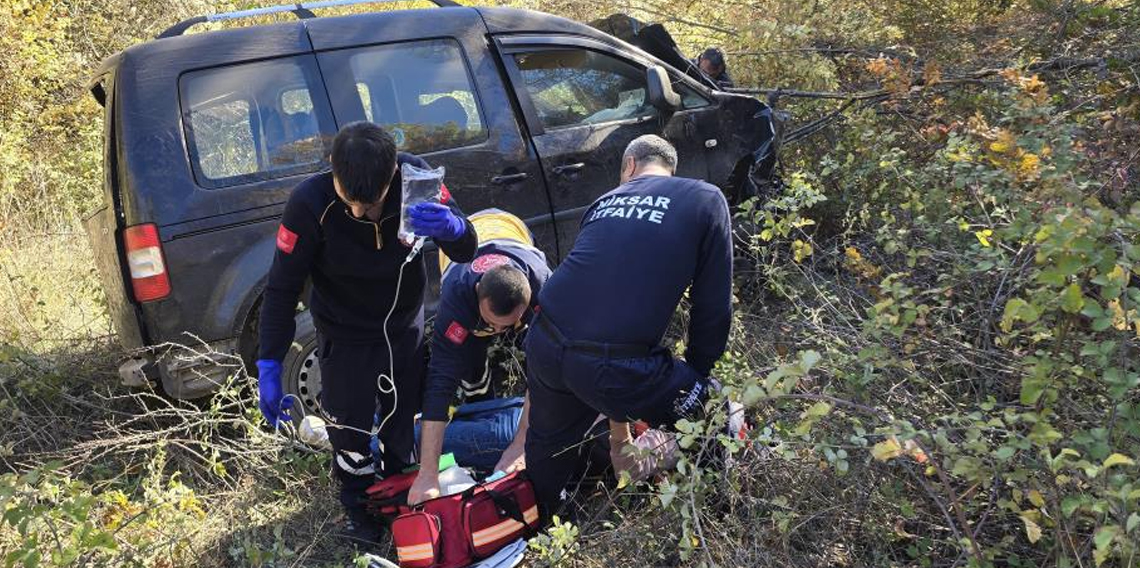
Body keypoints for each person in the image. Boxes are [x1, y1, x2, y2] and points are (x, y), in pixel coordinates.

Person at [255, 122, 477, 543]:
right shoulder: (309, 203)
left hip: (402, 328)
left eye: (371, 204)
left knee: (401, 426)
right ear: (333, 174)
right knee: (349, 432)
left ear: (393, 172)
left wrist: (452, 229)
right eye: (350, 202)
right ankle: (359, 512)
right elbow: (282, 288)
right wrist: (269, 362)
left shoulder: (418, 181)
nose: (360, 213)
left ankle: (402, 499)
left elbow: (468, 248)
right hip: (343, 332)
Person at [522, 134, 736, 515]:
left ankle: (543, 523)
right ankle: (716, 512)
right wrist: (696, 379)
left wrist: (621, 438)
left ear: (630, 168)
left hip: (544, 340)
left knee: (548, 446)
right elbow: (712, 307)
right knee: (714, 409)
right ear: (669, 170)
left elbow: (603, 311)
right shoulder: (704, 197)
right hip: (611, 365)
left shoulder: (604, 202)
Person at [407, 210, 552, 505]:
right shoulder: (457, 298)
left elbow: (547, 367)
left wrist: (520, 444)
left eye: (506, 325)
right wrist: (428, 475)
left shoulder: (544, 287)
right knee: (470, 364)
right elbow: (440, 383)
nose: (498, 332)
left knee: (540, 351)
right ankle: (480, 403)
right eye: (491, 323)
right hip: (470, 240)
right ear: (477, 294)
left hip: (513, 228)